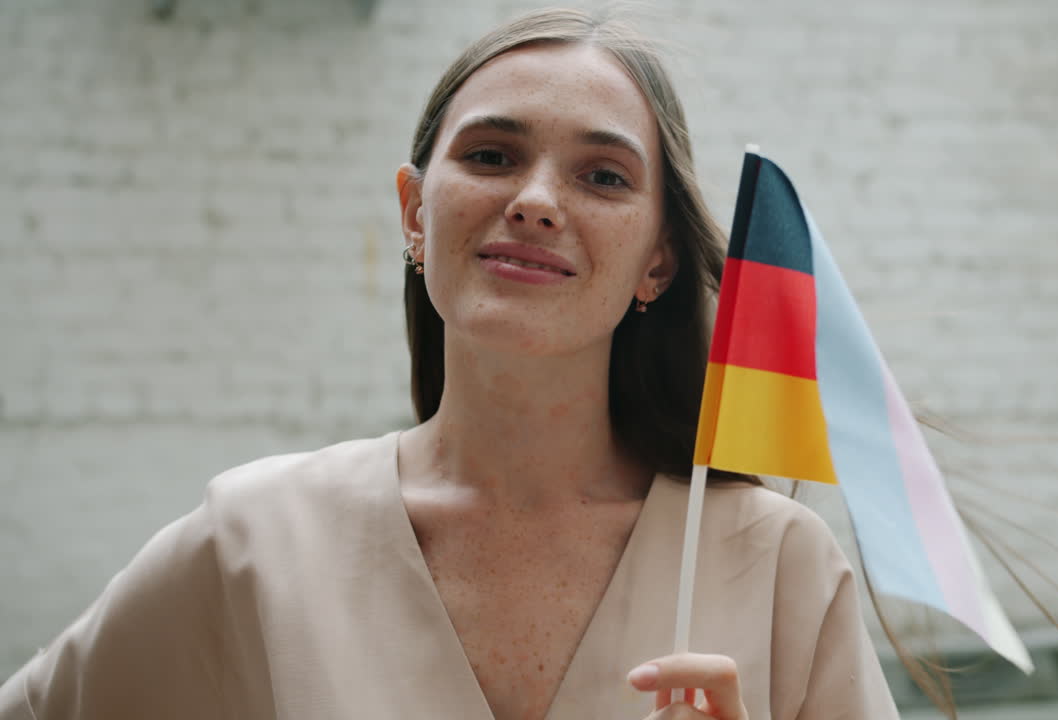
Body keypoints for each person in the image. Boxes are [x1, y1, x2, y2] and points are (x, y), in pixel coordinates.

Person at [0, 8, 898, 720]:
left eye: (604, 177)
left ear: (657, 260)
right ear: (415, 214)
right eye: (492, 156)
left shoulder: (777, 564)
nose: (537, 201)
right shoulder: (257, 541)